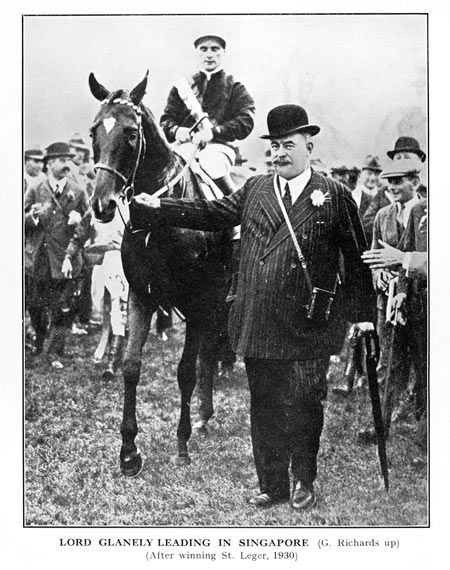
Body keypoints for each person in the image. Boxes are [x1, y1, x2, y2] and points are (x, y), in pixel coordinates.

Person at [132, 104, 376, 510]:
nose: (280, 153)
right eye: (275, 145)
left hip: (309, 322)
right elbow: (210, 214)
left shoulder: (334, 196)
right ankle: (272, 483)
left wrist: (364, 316)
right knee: (263, 404)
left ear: (308, 146)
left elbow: (355, 258)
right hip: (258, 318)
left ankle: (303, 478)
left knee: (304, 402)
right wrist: (161, 207)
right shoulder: (256, 189)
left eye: (289, 145)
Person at [358, 158, 422, 442]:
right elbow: (373, 257)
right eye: (390, 182)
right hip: (389, 301)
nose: (393, 187)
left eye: (399, 181)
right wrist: (379, 274)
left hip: (420, 299)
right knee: (389, 361)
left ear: (415, 183)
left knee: (423, 365)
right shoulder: (383, 215)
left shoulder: (428, 212)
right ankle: (381, 425)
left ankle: (426, 435)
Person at [160, 34, 255, 197]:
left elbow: (246, 120)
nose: (209, 54)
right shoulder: (181, 88)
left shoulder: (235, 86)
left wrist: (213, 132)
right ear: (197, 53)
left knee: (211, 163)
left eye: (214, 49)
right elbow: (166, 121)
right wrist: (176, 131)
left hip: (219, 148)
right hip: (185, 147)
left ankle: (235, 208)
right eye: (203, 49)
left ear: (223, 52)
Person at [24, 142, 89, 367]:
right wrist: (31, 217)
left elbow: (89, 225)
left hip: (65, 258)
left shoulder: (78, 191)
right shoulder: (35, 188)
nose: (66, 165)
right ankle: (41, 337)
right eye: (61, 160)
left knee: (63, 307)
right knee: (35, 304)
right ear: (50, 163)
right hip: (39, 258)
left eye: (68, 160)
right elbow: (19, 222)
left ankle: (54, 352)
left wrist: (78, 222)